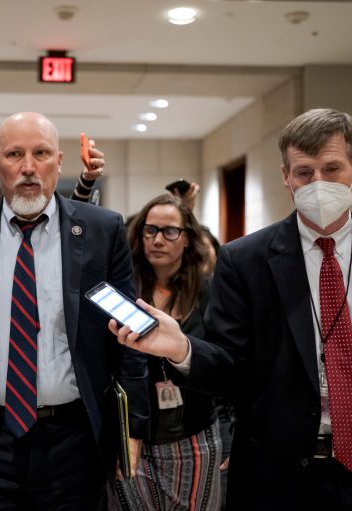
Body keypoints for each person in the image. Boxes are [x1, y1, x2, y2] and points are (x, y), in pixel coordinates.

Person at [109, 108, 352, 510]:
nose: (318, 183)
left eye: (332, 168)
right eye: (304, 172)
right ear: (286, 176)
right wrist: (182, 348)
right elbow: (228, 366)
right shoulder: (246, 261)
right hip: (282, 474)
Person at [0, 112, 149, 510]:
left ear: (60, 163)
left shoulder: (101, 229)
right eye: (14, 154)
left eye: (41, 153)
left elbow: (129, 335)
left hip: (73, 441)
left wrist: (135, 427)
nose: (28, 167)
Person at [111, 194, 221, 511]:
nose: (158, 240)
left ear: (188, 239)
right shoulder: (124, 288)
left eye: (170, 231)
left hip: (194, 431)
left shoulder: (207, 289)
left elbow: (222, 363)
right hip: (134, 432)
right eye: (150, 230)